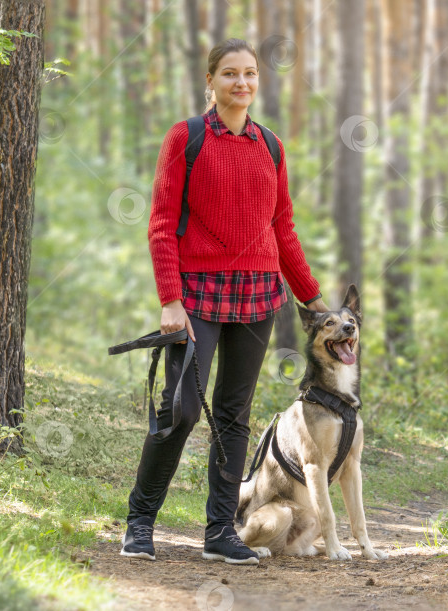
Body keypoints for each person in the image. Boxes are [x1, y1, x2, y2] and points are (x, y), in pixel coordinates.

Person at [120, 38, 328, 566]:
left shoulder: (272, 146)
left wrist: (313, 298)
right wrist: (170, 300)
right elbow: (162, 223)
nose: (242, 83)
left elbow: (282, 228)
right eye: (230, 74)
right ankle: (139, 523)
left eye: (251, 74)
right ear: (210, 81)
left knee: (234, 415)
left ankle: (220, 532)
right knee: (182, 409)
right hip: (195, 296)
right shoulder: (185, 138)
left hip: (258, 295)